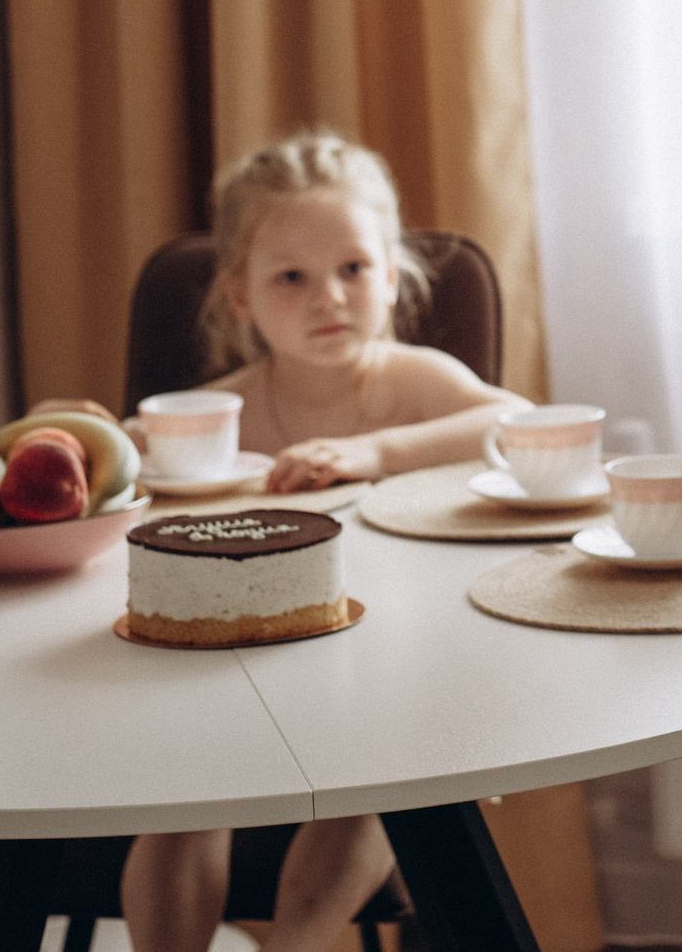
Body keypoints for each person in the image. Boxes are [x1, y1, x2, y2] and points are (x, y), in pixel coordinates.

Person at [121, 129, 519, 952]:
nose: (327, 297)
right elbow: (134, 453)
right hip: (235, 671)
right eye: (290, 277)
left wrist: (378, 451)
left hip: (382, 675)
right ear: (239, 296)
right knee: (182, 795)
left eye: (353, 268)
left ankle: (291, 945)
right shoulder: (226, 407)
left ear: (392, 270)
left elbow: (512, 421)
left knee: (371, 779)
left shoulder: (414, 381)